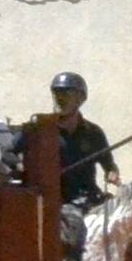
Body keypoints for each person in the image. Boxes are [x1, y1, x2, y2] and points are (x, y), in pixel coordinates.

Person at [27, 71, 120, 207]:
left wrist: (112, 174)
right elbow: (10, 154)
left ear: (81, 98)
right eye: (56, 93)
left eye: (66, 93)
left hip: (88, 199)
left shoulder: (94, 132)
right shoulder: (40, 129)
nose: (60, 98)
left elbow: (109, 165)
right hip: (53, 202)